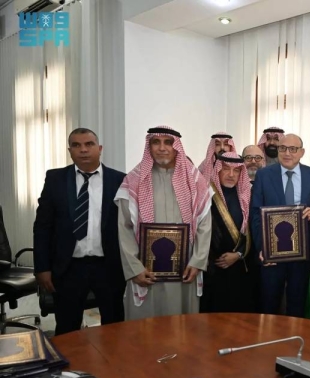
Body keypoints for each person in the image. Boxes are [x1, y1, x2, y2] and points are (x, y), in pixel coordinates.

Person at [33, 128, 126, 335]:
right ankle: (68, 367)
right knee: (67, 328)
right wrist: (42, 267)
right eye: (76, 145)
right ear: (70, 150)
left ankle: (114, 367)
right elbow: (42, 226)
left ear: (99, 148)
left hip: (109, 266)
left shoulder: (120, 180)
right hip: (68, 267)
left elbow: (129, 225)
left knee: (114, 327)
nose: (83, 150)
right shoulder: (55, 179)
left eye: (89, 144)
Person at [115, 126, 212, 320]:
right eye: (155, 142)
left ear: (177, 146)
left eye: (168, 142)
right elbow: (124, 227)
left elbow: (204, 224)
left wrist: (198, 261)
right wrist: (135, 269)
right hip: (145, 269)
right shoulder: (134, 181)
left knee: (183, 325)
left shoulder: (195, 181)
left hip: (185, 268)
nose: (162, 148)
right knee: (145, 329)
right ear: (148, 146)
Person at [250, 133, 310, 317]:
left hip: (301, 253)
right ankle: (267, 342)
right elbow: (255, 214)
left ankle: (294, 341)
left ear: (301, 152)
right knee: (269, 304)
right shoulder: (264, 175)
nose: (287, 153)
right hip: (272, 254)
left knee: (297, 304)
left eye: (293, 149)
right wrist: (262, 248)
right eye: (282, 148)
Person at [200, 152, 258, 313]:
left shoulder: (248, 196)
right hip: (212, 268)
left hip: (241, 267)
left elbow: (254, 230)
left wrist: (239, 254)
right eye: (226, 169)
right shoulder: (205, 195)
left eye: (237, 170)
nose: (231, 175)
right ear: (217, 170)